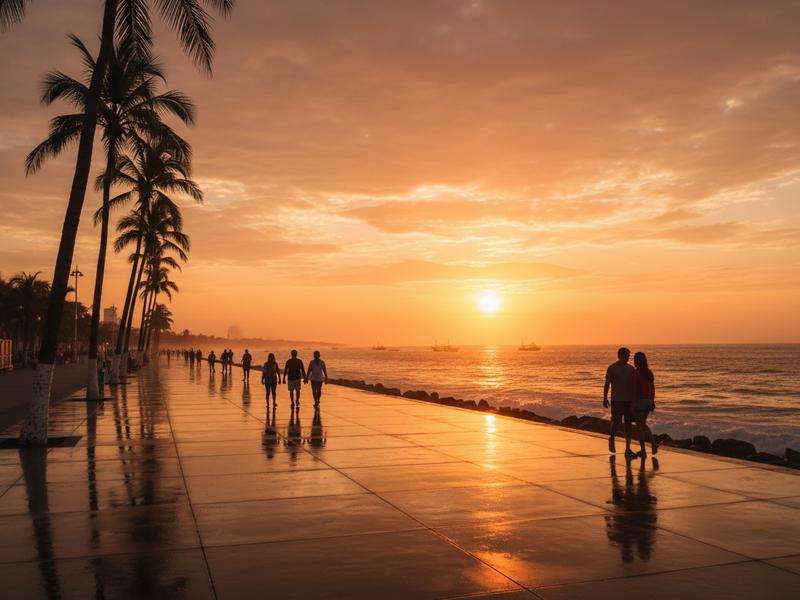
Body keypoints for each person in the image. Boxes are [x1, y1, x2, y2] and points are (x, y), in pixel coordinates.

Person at [603, 347, 636, 459]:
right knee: (616, 421)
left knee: (628, 424)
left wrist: (633, 401)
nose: (628, 357)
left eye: (629, 356)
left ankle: (627, 448)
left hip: (628, 401)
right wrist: (604, 397)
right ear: (620, 355)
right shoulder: (612, 368)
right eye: (627, 355)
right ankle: (611, 438)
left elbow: (633, 387)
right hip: (616, 400)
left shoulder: (631, 369)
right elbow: (607, 383)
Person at [632, 351, 658, 458]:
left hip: (640, 401)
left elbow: (634, 389)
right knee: (642, 423)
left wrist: (632, 403)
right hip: (648, 400)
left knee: (640, 426)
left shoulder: (636, 373)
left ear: (636, 361)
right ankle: (654, 444)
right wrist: (652, 401)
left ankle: (643, 450)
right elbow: (652, 388)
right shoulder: (649, 372)